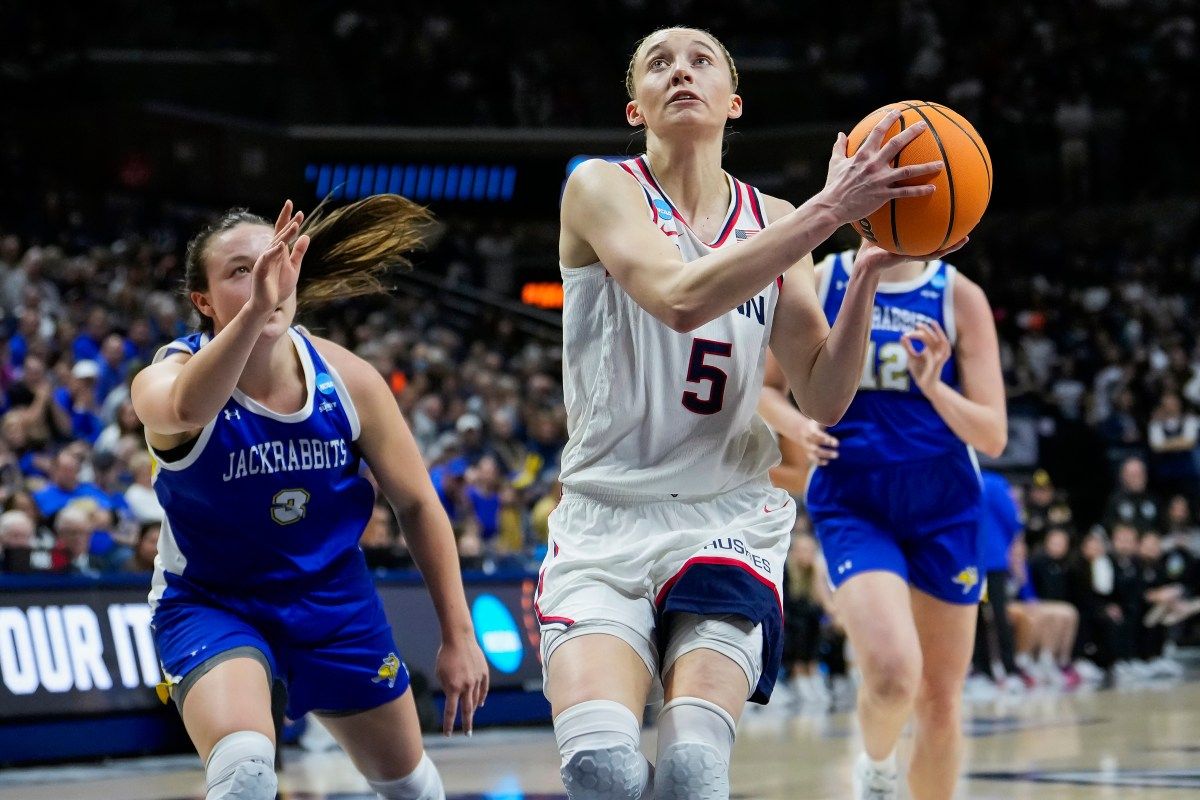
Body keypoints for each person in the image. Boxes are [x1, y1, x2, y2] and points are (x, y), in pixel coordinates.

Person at [538, 25, 956, 800]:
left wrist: (861, 274)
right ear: (637, 109)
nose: (679, 71)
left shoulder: (779, 219)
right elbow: (679, 298)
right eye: (658, 64)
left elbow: (824, 394)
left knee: (694, 770)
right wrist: (828, 211)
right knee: (603, 771)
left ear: (735, 101)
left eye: (700, 60)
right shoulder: (600, 187)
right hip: (604, 515)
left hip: (722, 517)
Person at [131, 198, 488, 800]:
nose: (263, 277)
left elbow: (420, 505)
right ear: (203, 301)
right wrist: (259, 311)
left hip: (334, 603)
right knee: (244, 768)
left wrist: (459, 635)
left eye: (274, 261)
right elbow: (192, 408)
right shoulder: (165, 379)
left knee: (411, 787)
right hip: (215, 603)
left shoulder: (350, 381)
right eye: (240, 271)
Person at [804, 244, 1005, 799]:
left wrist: (935, 385)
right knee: (893, 674)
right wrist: (795, 427)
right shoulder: (825, 280)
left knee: (940, 702)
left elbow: (992, 435)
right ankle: (875, 770)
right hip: (856, 503)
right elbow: (769, 388)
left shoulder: (958, 296)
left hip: (944, 508)